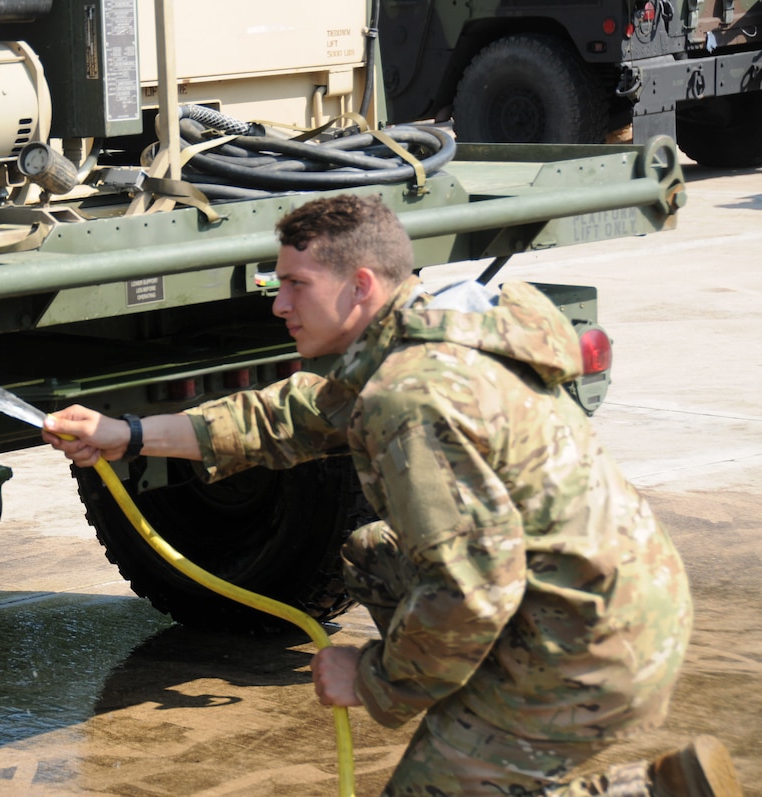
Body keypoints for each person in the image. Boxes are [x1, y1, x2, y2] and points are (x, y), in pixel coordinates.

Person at [43, 193, 742, 796]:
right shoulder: (424, 337)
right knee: (375, 552)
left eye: (296, 284)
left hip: (588, 642)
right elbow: (279, 419)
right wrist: (126, 433)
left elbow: (471, 591)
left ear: (362, 285)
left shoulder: (410, 398)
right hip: (624, 594)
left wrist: (374, 677)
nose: (279, 303)